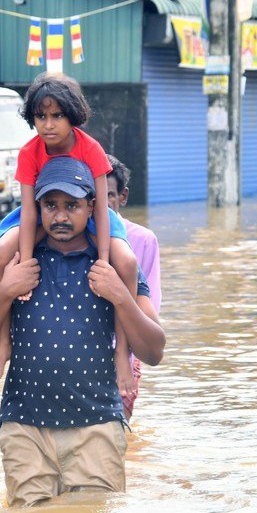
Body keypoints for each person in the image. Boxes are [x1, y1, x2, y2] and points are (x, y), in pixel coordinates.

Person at [0, 157, 165, 507]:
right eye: (50, 205)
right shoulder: (19, 259)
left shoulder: (112, 264)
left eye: (72, 205)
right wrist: (6, 290)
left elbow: (154, 351)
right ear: (35, 208)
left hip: (97, 424)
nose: (60, 216)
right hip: (24, 425)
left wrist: (120, 296)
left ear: (92, 207)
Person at [0, 72, 139, 401]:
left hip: (91, 214)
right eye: (41, 116)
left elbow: (99, 206)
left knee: (127, 263)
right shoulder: (29, 152)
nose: (49, 124)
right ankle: (3, 344)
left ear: (73, 116)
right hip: (41, 212)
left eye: (57, 116)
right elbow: (28, 210)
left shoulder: (90, 148)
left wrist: (103, 262)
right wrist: (24, 264)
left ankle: (122, 355)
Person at [105, 155, 162, 420]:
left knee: (116, 437)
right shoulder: (74, 235)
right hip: (82, 356)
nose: (101, 205)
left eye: (109, 196)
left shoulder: (142, 241)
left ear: (122, 197)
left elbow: (149, 315)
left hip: (126, 356)